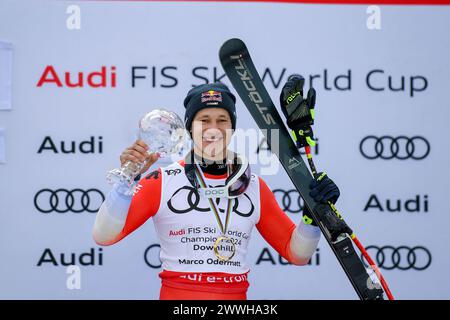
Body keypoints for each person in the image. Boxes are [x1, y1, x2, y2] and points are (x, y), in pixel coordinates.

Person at [92, 80, 340, 300]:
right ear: (190, 128)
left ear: (232, 127)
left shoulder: (254, 187)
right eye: (204, 120)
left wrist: (312, 218)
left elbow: (296, 254)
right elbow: (104, 236)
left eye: (222, 120)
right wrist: (127, 181)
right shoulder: (162, 181)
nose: (213, 129)